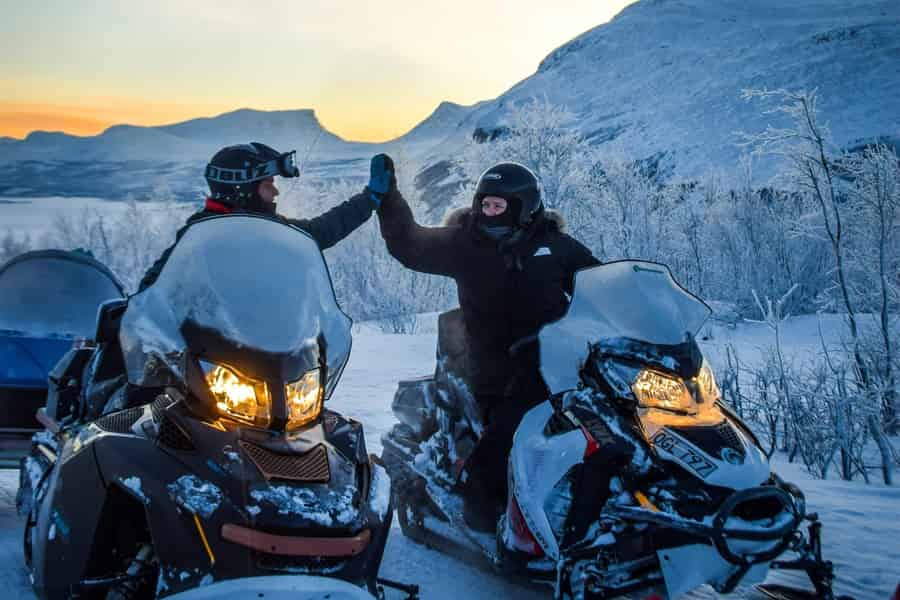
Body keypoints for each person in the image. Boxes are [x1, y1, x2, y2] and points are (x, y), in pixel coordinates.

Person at [368, 154, 600, 531]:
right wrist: (390, 201)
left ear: (524, 208)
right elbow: (409, 244)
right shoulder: (464, 242)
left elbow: (599, 283)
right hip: (492, 362)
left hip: (557, 358)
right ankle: (480, 500)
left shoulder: (556, 246)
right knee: (514, 425)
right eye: (485, 205)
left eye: (499, 206)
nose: (490, 214)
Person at [138, 142, 378, 291]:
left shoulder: (266, 228)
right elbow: (152, 291)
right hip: (209, 356)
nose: (275, 191)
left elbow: (319, 232)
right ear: (242, 189)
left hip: (266, 349)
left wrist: (369, 199)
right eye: (268, 184)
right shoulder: (199, 237)